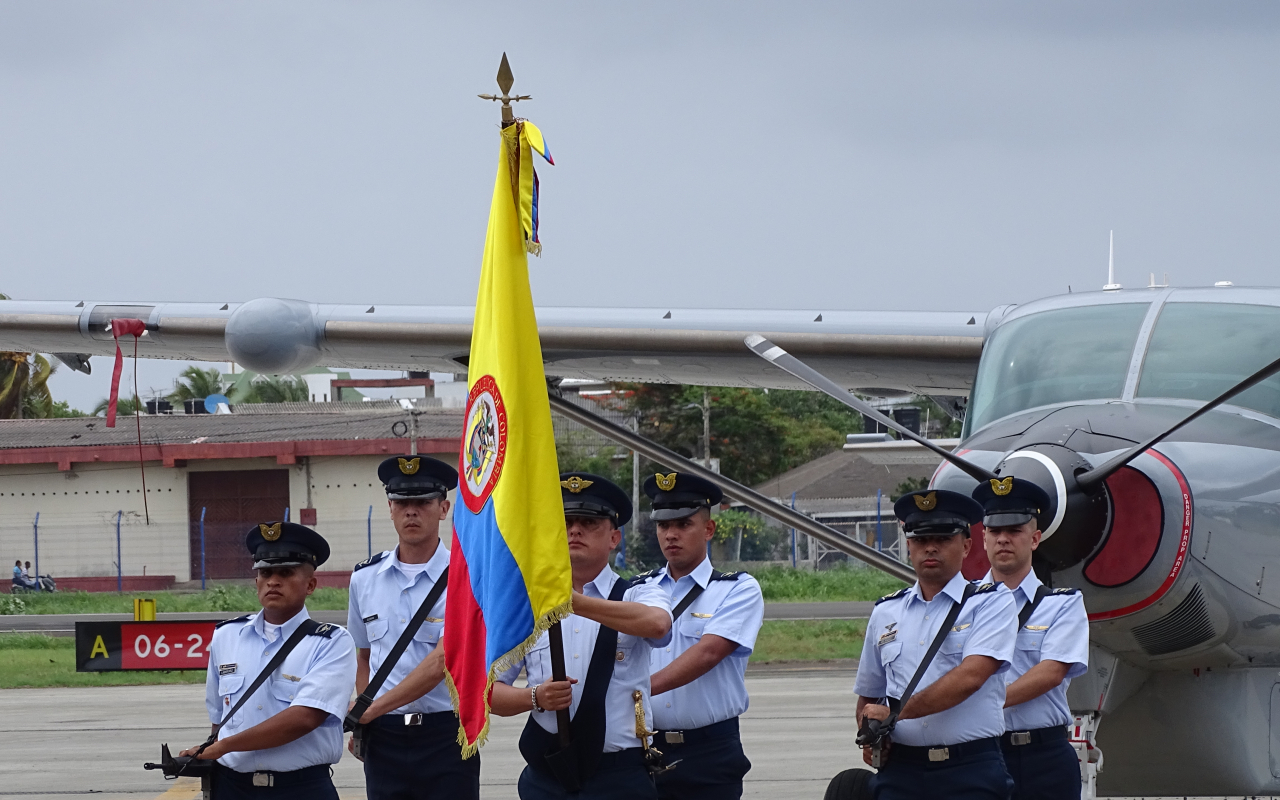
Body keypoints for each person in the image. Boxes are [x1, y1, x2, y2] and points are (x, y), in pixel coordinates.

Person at [492, 472, 674, 800]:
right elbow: (485, 693)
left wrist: (571, 602)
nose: (575, 531)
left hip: (618, 776)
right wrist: (534, 697)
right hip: (549, 773)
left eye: (589, 523)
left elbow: (658, 624)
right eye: (565, 523)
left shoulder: (637, 593)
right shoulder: (525, 606)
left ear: (614, 538)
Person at [854, 489, 1017, 800]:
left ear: (966, 545)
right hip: (900, 771)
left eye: (942, 538)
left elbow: (971, 677)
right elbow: (869, 694)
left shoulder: (991, 602)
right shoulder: (886, 611)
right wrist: (872, 734)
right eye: (920, 539)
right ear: (908, 545)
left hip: (969, 768)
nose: (930, 547)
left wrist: (895, 714)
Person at [180, 521, 356, 799]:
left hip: (300, 789)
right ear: (256, 582)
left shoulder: (331, 642)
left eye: (286, 572)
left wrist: (224, 747)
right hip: (232, 787)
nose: (273, 581)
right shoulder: (227, 636)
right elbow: (219, 718)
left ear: (310, 585)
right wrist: (211, 751)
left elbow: (305, 718)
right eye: (265, 572)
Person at [345, 455, 478, 800]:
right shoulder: (364, 579)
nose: (411, 512)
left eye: (422, 502)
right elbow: (364, 656)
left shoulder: (466, 577)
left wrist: (369, 710)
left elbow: (442, 661)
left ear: (443, 508)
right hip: (384, 737)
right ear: (390, 508)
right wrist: (365, 723)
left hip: (446, 733)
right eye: (402, 503)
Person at [641, 472, 763, 800]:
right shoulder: (639, 590)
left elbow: (708, 653)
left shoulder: (737, 589)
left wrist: (636, 690)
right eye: (664, 525)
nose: (671, 534)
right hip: (644, 746)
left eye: (683, 524)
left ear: (708, 529)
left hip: (709, 750)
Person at [972, 477, 1088, 800]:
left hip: (1044, 757)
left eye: (1014, 530)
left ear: (1035, 539)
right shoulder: (963, 607)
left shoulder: (1063, 605)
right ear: (983, 538)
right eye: (995, 531)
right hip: (981, 754)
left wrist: (982, 703)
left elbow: (1051, 672)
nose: (1003, 539)